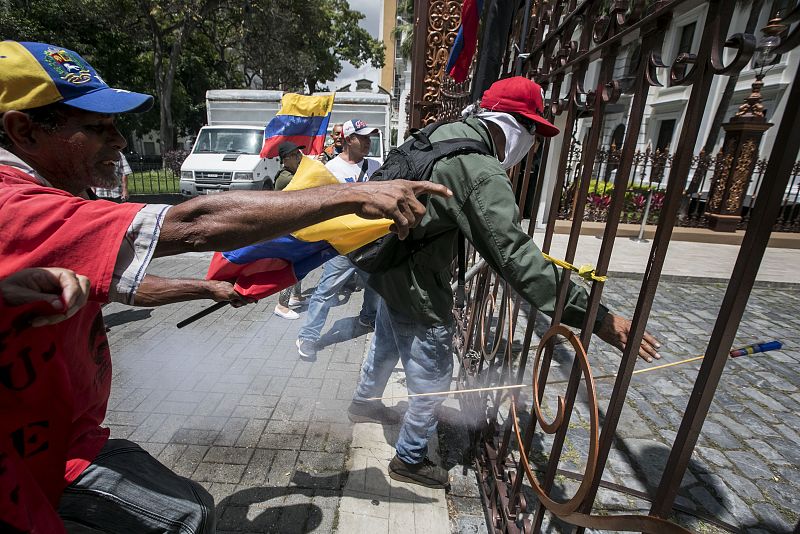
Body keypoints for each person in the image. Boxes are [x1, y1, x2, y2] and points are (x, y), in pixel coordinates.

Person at [0, 40, 450, 533]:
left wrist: (204, 289)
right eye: (96, 127)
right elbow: (194, 223)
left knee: (194, 505)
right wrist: (348, 197)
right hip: (27, 465)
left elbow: (116, 285)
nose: (121, 141)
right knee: (187, 517)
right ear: (24, 130)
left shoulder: (47, 198)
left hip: (67, 439)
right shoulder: (17, 206)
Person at [347, 76, 662, 490]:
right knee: (433, 373)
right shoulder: (480, 167)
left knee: (386, 342)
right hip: (415, 281)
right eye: (535, 134)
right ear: (518, 126)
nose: (533, 145)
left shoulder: (443, 132)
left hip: (386, 263)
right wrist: (595, 316)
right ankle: (409, 458)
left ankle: (363, 403)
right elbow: (516, 258)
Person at [295, 119, 384, 360]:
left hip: (371, 241)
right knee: (326, 291)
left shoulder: (377, 165)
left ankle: (367, 318)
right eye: (362, 137)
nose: (367, 142)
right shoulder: (331, 169)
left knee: (376, 286)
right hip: (342, 245)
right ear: (348, 139)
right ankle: (308, 336)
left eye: (369, 137)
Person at [273, 141, 307, 319]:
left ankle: (296, 296)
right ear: (285, 159)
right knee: (292, 265)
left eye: (299, 154)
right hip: (287, 230)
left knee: (301, 261)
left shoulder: (294, 173)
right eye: (295, 155)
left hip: (295, 227)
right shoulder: (286, 178)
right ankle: (282, 305)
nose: (299, 158)